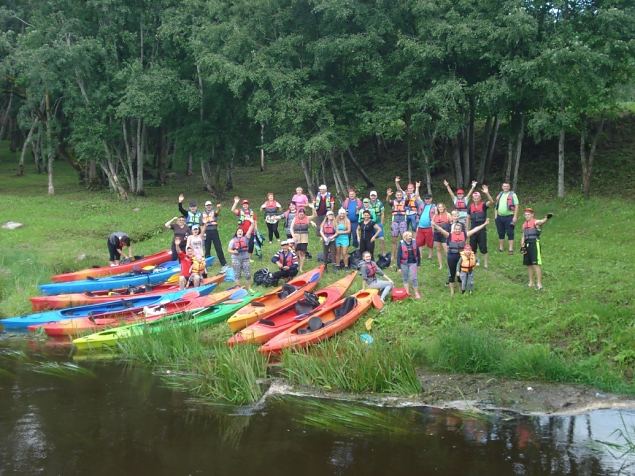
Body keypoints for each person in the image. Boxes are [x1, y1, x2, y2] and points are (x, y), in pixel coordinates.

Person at [433, 219, 490, 296]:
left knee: (461, 273)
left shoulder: (465, 235)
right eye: (456, 229)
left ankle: (461, 288)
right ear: (453, 229)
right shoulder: (449, 235)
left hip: (461, 257)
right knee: (451, 274)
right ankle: (452, 291)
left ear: (461, 229)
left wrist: (484, 224)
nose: (457, 230)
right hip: (451, 256)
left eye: (459, 229)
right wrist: (434, 224)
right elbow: (440, 229)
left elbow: (475, 229)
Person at [521, 208, 552, 290]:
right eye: (525, 214)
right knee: (529, 264)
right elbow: (523, 235)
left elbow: (542, 221)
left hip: (534, 243)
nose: (526, 216)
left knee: (536, 264)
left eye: (528, 214)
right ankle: (531, 282)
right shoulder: (524, 224)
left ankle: (539, 284)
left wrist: (546, 218)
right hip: (526, 245)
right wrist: (522, 244)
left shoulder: (535, 222)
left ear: (532, 215)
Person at [466, 185, 494, 269]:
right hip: (473, 229)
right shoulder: (470, 206)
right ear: (472, 198)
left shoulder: (483, 205)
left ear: (480, 198)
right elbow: (468, 218)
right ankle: (475, 261)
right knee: (473, 247)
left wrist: (487, 193)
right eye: (474, 197)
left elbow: (491, 201)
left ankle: (485, 264)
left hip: (482, 228)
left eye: (477, 197)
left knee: (483, 247)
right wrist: (467, 229)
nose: (476, 198)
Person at [201, 200, 227, 269]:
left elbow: (217, 212)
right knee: (207, 248)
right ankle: (207, 263)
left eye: (209, 205)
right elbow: (201, 224)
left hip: (214, 231)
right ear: (205, 206)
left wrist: (219, 208)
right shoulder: (202, 213)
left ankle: (223, 262)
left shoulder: (213, 212)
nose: (208, 206)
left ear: (211, 206)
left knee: (218, 247)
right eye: (207, 205)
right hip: (206, 231)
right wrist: (202, 233)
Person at [495, 182, 520, 254]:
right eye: (504, 186)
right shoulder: (500, 194)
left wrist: (515, 216)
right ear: (502, 187)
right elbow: (496, 205)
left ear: (509, 187)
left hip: (509, 216)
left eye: (507, 186)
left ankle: (510, 248)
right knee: (500, 232)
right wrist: (496, 216)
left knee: (510, 232)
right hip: (499, 217)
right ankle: (501, 247)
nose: (505, 187)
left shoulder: (513, 195)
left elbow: (517, 206)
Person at [290, 204, 315, 272]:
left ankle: (301, 268)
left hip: (304, 239)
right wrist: (293, 235)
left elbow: (314, 215)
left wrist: (313, 208)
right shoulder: (295, 218)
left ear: (304, 214)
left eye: (302, 214)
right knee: (296, 253)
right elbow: (291, 228)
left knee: (302, 253)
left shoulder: (307, 218)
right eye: (300, 214)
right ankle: (297, 265)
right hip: (296, 238)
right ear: (298, 214)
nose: (301, 215)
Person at [396, 231, 421, 299]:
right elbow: (398, 256)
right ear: (405, 237)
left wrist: (418, 264)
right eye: (408, 236)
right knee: (405, 278)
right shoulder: (401, 244)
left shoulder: (414, 242)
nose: (410, 237)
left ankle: (416, 293)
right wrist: (399, 267)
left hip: (413, 263)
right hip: (404, 263)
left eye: (410, 235)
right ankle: (407, 292)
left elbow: (418, 254)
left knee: (414, 278)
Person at [386, 188, 408, 262]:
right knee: (394, 240)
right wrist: (388, 195)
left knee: (403, 239)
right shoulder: (393, 202)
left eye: (400, 195)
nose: (399, 196)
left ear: (402, 195)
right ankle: (393, 256)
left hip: (403, 222)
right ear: (395, 195)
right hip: (395, 222)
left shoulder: (405, 201)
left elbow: (408, 199)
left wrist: (407, 193)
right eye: (398, 195)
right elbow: (387, 201)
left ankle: (403, 255)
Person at [415, 194, 436, 261]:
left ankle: (430, 256)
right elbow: (417, 196)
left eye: (428, 199)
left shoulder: (434, 207)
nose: (427, 200)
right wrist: (417, 187)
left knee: (430, 242)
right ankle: (420, 256)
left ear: (431, 199)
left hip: (429, 227)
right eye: (426, 199)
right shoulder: (421, 204)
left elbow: (437, 215)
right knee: (419, 242)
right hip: (420, 226)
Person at [432, 203, 452, 270]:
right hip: (437, 234)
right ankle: (440, 265)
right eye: (439, 207)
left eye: (441, 207)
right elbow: (432, 225)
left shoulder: (448, 215)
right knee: (438, 249)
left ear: (444, 208)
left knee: (446, 250)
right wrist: (432, 234)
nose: (440, 208)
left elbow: (452, 224)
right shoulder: (435, 216)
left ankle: (450, 264)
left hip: (445, 234)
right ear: (437, 208)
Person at [368, 190, 386, 255]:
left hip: (378, 223)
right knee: (370, 239)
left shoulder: (380, 203)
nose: (373, 197)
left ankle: (383, 253)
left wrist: (381, 223)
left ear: (376, 196)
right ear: (370, 196)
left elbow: (382, 213)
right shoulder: (367, 203)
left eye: (374, 195)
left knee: (381, 238)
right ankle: (369, 254)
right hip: (370, 223)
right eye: (372, 195)